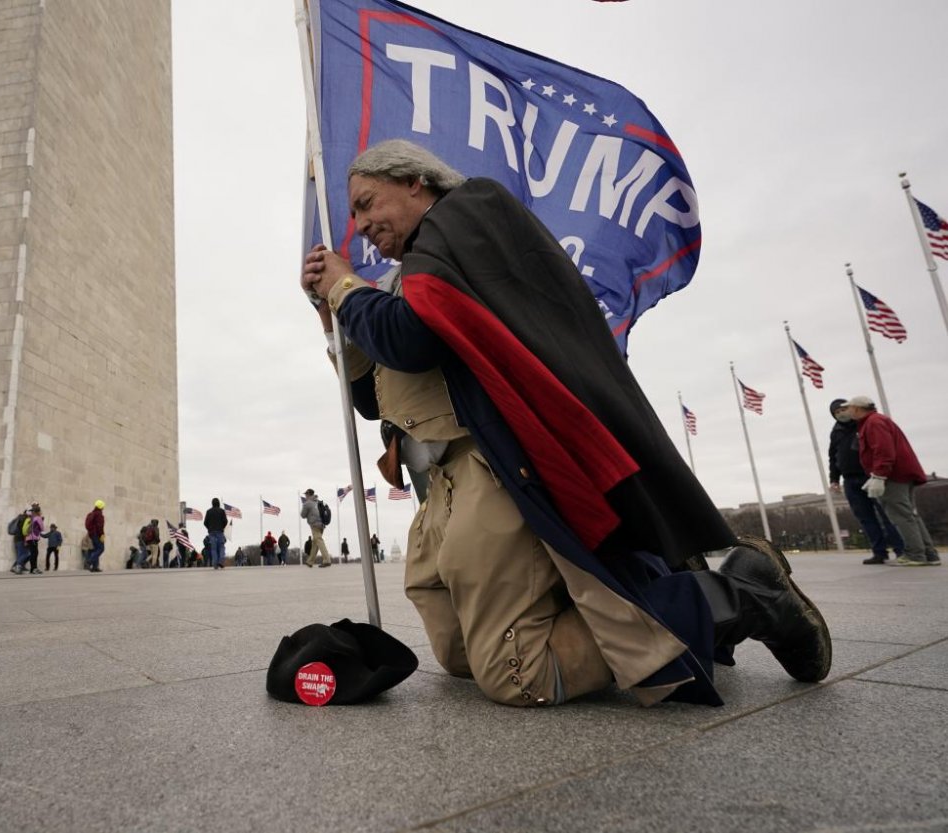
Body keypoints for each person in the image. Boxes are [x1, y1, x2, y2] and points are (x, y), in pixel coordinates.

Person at [298, 139, 830, 707]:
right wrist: (333, 313)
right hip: (438, 488)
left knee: (516, 674)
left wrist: (345, 285)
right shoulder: (412, 276)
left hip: (492, 466)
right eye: (352, 214)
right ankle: (621, 608)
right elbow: (371, 400)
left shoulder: (467, 213)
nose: (358, 226)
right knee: (459, 658)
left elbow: (409, 337)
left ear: (414, 182)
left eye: (365, 203)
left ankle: (740, 594)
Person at [845, 396, 941, 567]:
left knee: (901, 516)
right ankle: (929, 554)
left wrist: (879, 475)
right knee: (910, 515)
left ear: (858, 409)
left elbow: (883, 450)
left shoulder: (873, 423)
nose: (847, 411)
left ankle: (915, 554)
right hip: (901, 474)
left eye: (849, 408)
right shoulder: (876, 421)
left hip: (893, 476)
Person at [827, 397, 904, 564]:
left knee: (886, 514)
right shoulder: (836, 432)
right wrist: (834, 479)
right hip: (850, 479)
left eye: (842, 410)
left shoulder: (863, 425)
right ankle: (879, 552)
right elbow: (833, 457)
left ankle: (901, 550)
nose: (841, 414)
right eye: (836, 412)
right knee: (865, 518)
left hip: (869, 476)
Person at [300, 489, 332, 568]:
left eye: (306, 495)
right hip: (322, 524)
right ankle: (310, 561)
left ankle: (327, 560)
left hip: (314, 525)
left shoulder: (307, 503)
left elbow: (303, 515)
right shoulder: (318, 502)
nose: (305, 496)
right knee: (315, 542)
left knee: (319, 540)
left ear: (308, 494)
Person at [204, 498, 228, 570]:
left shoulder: (208, 511)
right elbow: (225, 521)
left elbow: (205, 523)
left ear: (212, 503)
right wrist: (222, 527)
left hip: (211, 532)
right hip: (220, 531)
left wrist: (209, 528)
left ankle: (215, 564)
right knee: (221, 547)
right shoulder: (222, 511)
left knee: (213, 548)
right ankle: (221, 561)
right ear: (218, 503)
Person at [85, 500, 106, 572]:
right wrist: (102, 535)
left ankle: (95, 567)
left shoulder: (92, 513)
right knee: (101, 548)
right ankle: (89, 562)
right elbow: (100, 526)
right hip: (97, 534)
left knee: (96, 549)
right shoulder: (99, 514)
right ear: (101, 507)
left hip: (92, 534)